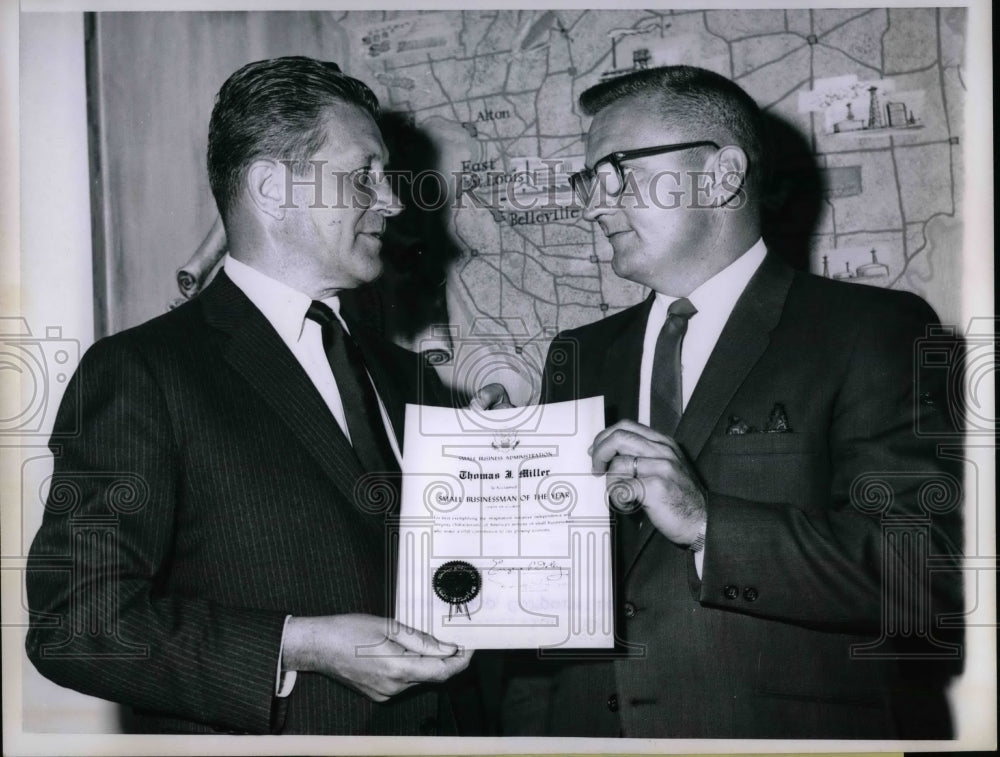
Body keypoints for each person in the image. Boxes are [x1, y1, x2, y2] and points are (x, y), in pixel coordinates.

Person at [25, 56, 500, 735]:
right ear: (272, 187)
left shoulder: (414, 381)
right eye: (364, 174)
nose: (393, 201)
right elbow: (76, 622)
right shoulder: (142, 372)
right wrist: (294, 644)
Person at [500, 65, 963, 739]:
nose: (595, 205)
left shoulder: (871, 330)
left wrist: (708, 522)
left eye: (618, 172)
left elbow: (924, 576)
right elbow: (549, 621)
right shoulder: (578, 353)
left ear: (721, 176)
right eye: (588, 181)